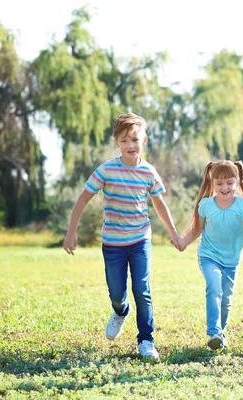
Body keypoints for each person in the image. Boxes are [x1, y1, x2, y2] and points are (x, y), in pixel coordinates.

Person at [62, 113, 181, 360]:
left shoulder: (149, 172)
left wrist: (174, 233)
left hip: (140, 240)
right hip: (113, 244)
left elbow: (159, 205)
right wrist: (71, 232)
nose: (130, 145)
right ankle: (120, 311)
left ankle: (146, 340)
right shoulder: (106, 170)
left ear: (144, 141)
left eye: (135, 140)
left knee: (142, 289)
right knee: (117, 292)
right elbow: (83, 198)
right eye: (125, 140)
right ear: (117, 141)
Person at [177, 160, 243, 350]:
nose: (224, 187)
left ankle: (220, 334)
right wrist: (183, 241)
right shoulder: (206, 205)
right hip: (209, 255)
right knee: (214, 286)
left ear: (237, 182)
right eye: (219, 183)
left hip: (232, 260)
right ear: (212, 184)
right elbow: (196, 230)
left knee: (226, 299)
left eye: (229, 182)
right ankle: (213, 331)